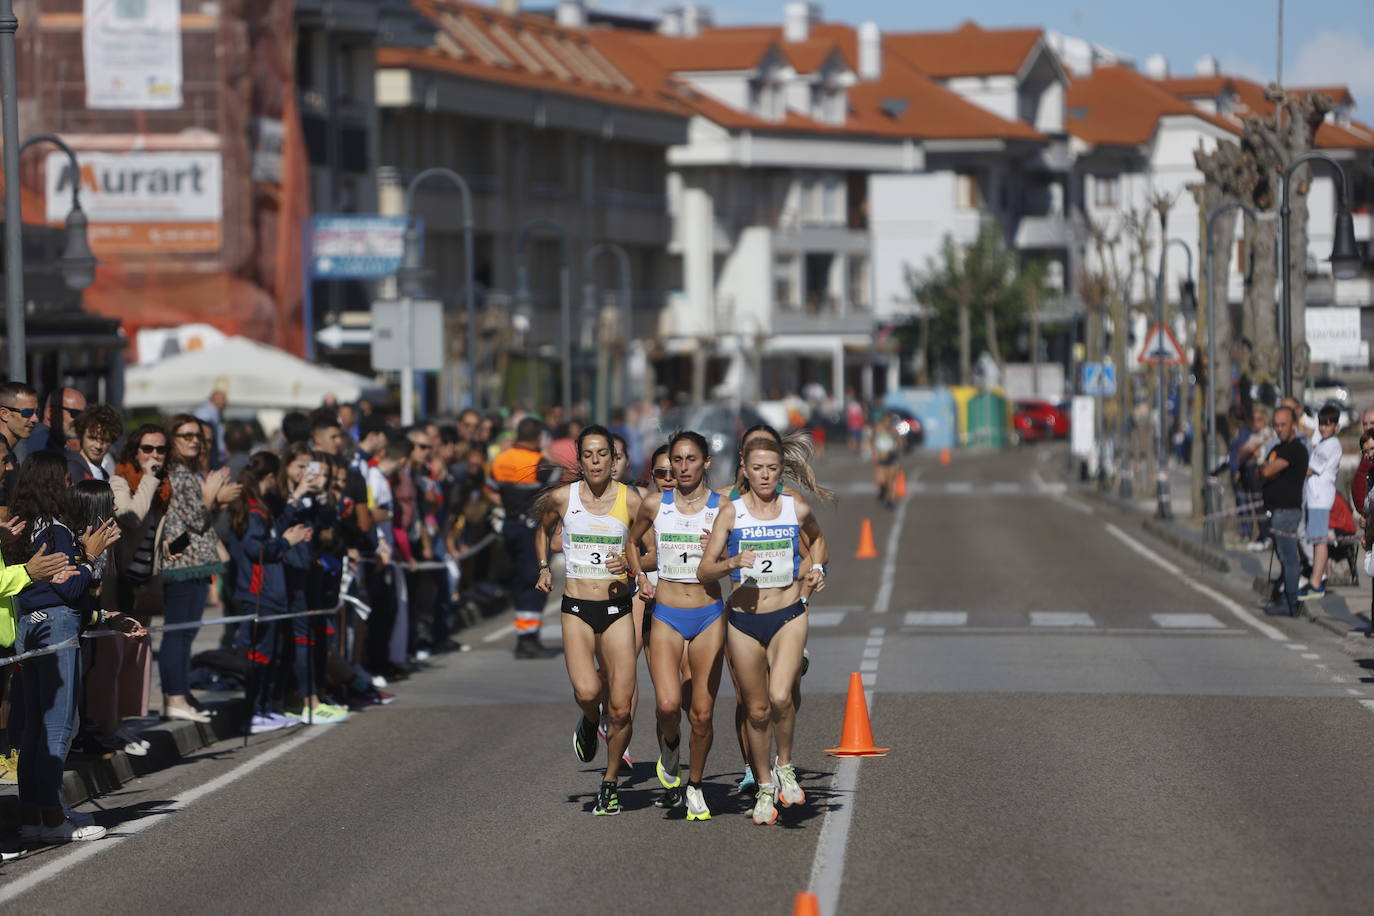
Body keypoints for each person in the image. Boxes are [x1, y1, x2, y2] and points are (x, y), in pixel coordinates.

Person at [697, 436, 826, 825]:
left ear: (780, 470)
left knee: (780, 695)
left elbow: (817, 540)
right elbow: (705, 569)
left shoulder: (795, 507)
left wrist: (817, 569)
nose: (765, 475)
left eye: (772, 468)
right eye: (758, 469)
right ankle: (765, 784)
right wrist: (733, 560)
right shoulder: (731, 513)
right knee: (755, 711)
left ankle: (785, 764)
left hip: (787, 614)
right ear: (745, 469)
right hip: (743, 620)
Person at [12, 458, 125, 843]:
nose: (69, 487)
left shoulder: (25, 529)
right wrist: (90, 557)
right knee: (57, 727)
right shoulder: (58, 532)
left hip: (30, 625)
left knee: (33, 730)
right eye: (64, 480)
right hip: (56, 628)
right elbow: (71, 591)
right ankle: (52, 817)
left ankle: (35, 816)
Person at [534, 425, 643, 816]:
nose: (596, 462)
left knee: (622, 708)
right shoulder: (563, 498)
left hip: (618, 609)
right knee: (586, 692)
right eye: (589, 455)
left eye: (603, 455)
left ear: (614, 461)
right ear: (579, 461)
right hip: (577, 608)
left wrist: (632, 570)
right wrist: (545, 566)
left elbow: (649, 549)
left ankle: (610, 783)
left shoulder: (633, 501)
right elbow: (543, 530)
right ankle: (587, 718)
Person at [626, 431, 725, 820]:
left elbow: (740, 551)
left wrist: (723, 550)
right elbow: (633, 543)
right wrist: (641, 579)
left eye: (690, 460)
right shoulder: (655, 504)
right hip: (666, 614)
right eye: (676, 462)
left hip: (709, 615)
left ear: (706, 463)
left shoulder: (723, 509)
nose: (682, 468)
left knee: (701, 713)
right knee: (668, 705)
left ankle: (696, 786)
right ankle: (670, 745)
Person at [160, 414, 239, 722]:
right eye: (186, 435)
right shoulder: (175, 473)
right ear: (172, 439)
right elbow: (190, 522)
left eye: (198, 436)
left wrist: (214, 500)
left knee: (187, 632)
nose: (194, 440)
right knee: (177, 633)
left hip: (197, 561)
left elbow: (199, 520)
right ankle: (175, 697)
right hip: (182, 563)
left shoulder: (189, 472)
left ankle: (182, 695)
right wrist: (212, 497)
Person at [227, 452, 313, 733]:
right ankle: (255, 711)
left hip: (270, 593)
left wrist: (290, 533)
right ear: (269, 477)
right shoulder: (252, 509)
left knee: (270, 652)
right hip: (259, 592)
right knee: (260, 654)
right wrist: (287, 542)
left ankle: (264, 708)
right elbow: (257, 549)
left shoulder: (260, 506)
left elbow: (273, 533)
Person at [489, 417, 560, 659]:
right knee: (535, 581)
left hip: (509, 524)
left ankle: (525, 636)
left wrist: (507, 507)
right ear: (539, 438)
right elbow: (554, 489)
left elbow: (490, 488)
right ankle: (528, 639)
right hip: (531, 527)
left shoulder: (500, 459)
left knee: (520, 581)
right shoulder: (538, 462)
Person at [1261, 406, 1309, 617]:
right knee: (1283, 556)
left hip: (1287, 511)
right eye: (1276, 425)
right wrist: (1268, 469)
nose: (1279, 429)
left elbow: (1267, 470)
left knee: (1289, 558)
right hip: (1276, 510)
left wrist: (1269, 469)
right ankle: (1287, 598)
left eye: (1283, 425)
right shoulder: (1277, 448)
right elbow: (1261, 471)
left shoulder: (1295, 448)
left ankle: (1291, 602)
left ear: (1293, 426)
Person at [1300, 405, 1343, 601]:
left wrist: (1291, 469)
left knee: (1319, 542)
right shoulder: (1323, 442)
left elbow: (1311, 469)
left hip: (1320, 499)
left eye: (1328, 424)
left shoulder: (1331, 445)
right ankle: (1315, 579)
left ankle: (1316, 582)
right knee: (1318, 541)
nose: (1324, 428)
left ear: (1335, 425)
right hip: (1315, 498)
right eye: (1322, 424)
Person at [0, 381, 39, 509]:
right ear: (4, 414)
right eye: (27, 413)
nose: (35, 419)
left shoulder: (10, 454)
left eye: (37, 412)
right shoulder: (2, 452)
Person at [22, 387, 87, 459]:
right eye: (75, 413)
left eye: (83, 416)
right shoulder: (42, 441)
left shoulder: (55, 442)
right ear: (51, 412)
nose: (80, 420)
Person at [67, 405, 122, 482]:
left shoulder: (105, 475)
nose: (98, 446)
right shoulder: (72, 469)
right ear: (81, 435)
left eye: (105, 440)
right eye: (92, 438)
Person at [194, 389, 228, 468]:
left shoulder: (215, 412)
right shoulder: (206, 412)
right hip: (209, 455)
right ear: (213, 399)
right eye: (222, 399)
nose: (224, 403)